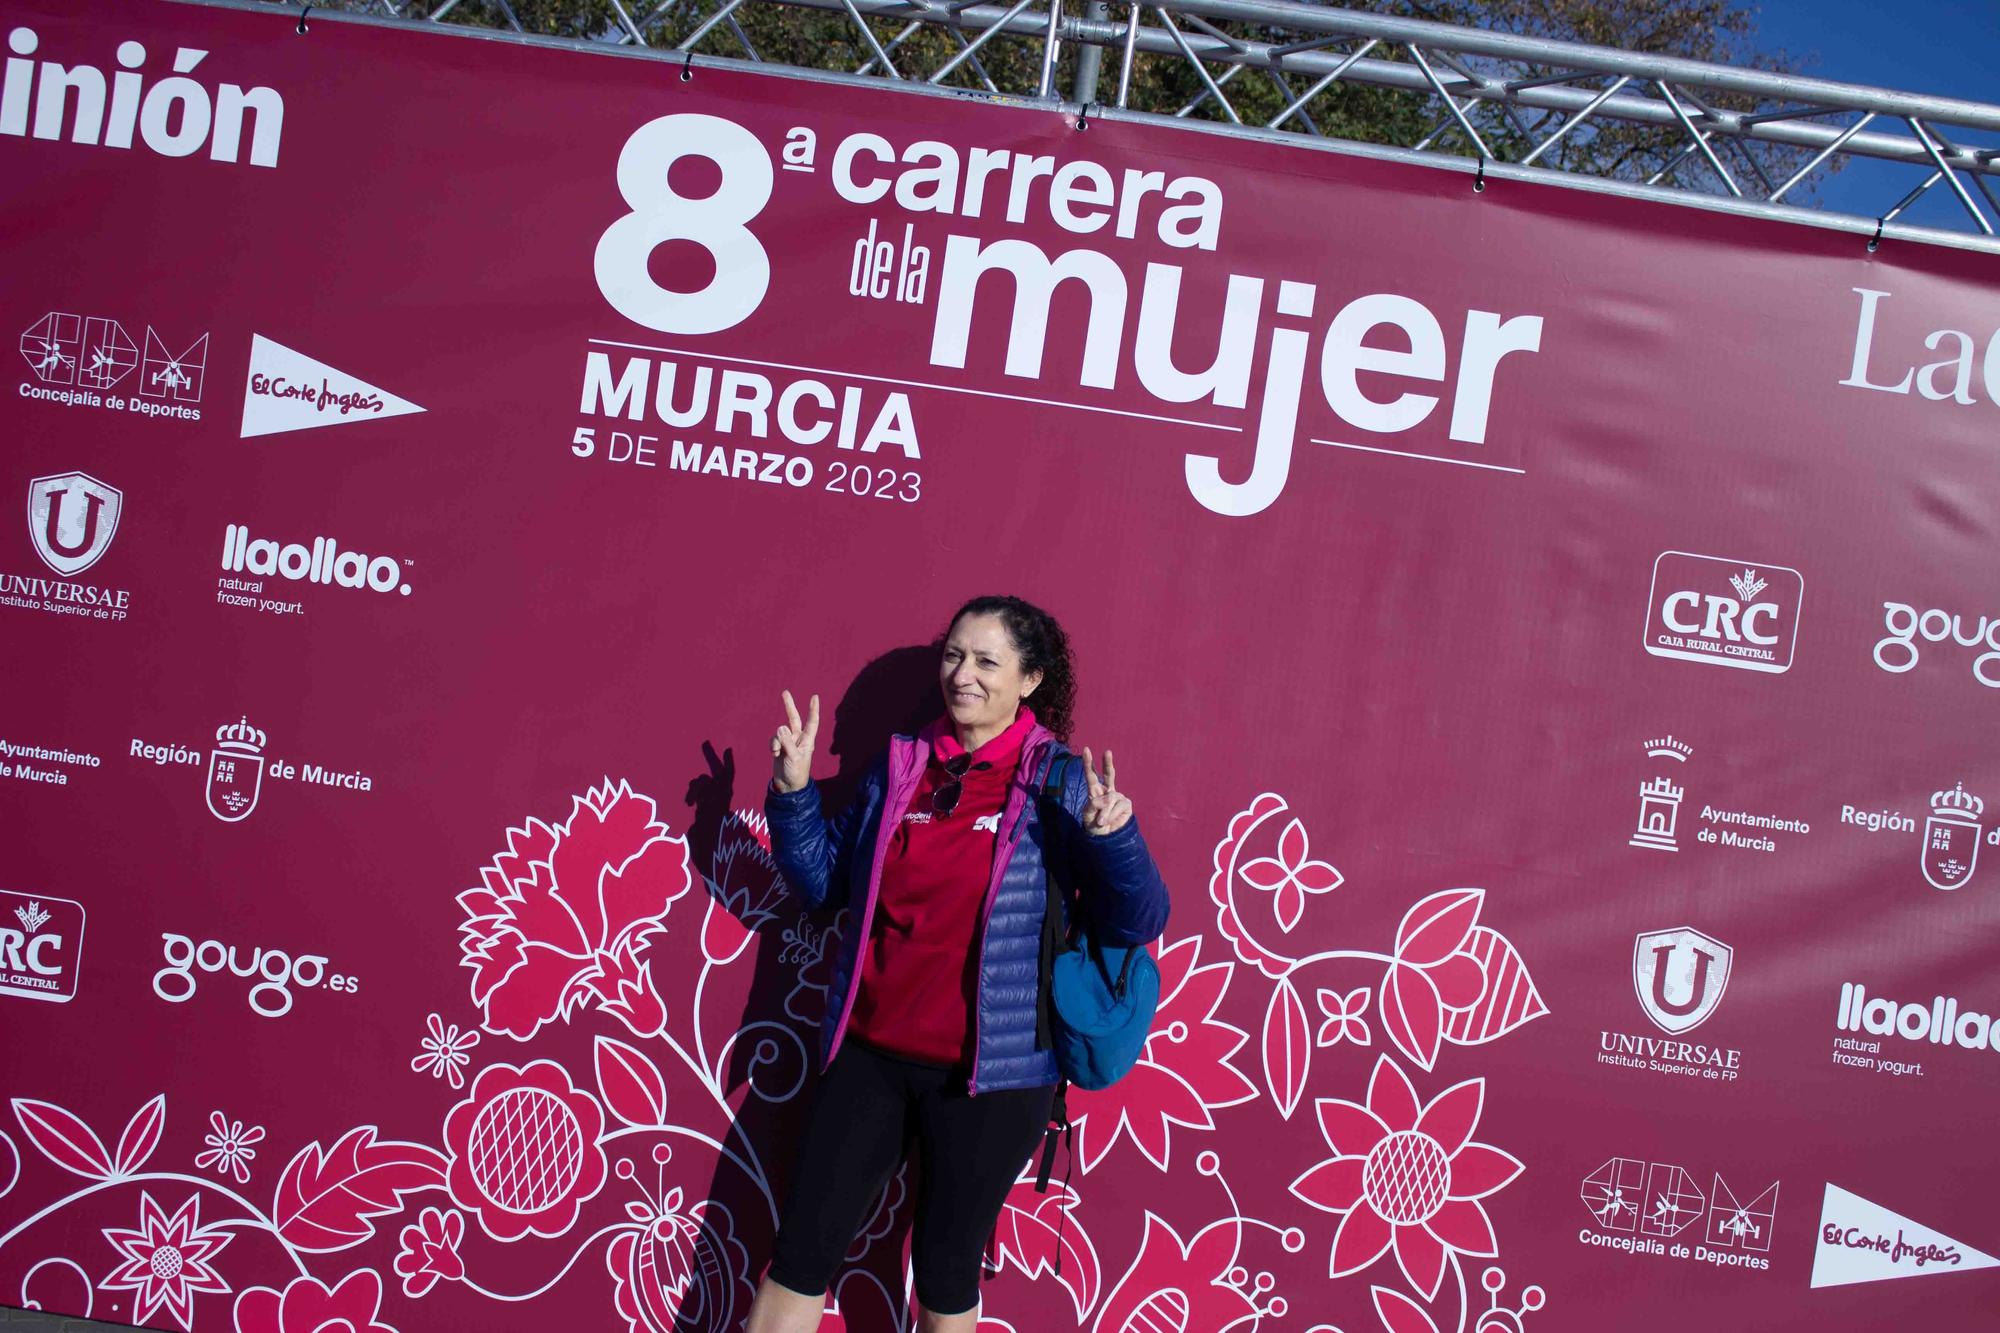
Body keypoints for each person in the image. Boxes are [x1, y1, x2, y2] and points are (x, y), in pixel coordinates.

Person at [745, 595, 1170, 1333]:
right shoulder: (901, 767)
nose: (961, 674)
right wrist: (792, 791)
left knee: (945, 1272)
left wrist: (1114, 838)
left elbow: (1139, 919)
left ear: (1030, 680)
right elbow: (820, 883)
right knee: (801, 1253)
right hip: (871, 1057)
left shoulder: (1060, 783)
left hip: (993, 1077)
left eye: (985, 661)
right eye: (953, 655)